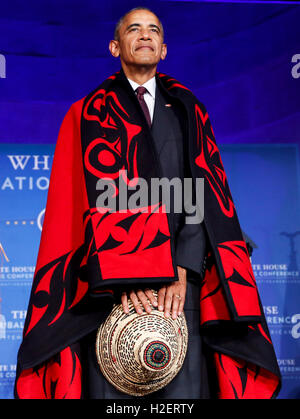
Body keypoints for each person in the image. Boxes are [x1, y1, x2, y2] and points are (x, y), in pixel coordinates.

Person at [14, 7, 281, 399]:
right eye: (134, 29)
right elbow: (79, 206)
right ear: (115, 45)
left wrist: (184, 268)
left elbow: (203, 192)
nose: (144, 35)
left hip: (178, 287)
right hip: (111, 291)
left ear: (164, 49)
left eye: (153, 30)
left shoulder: (189, 109)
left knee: (183, 397)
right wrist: (126, 274)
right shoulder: (86, 113)